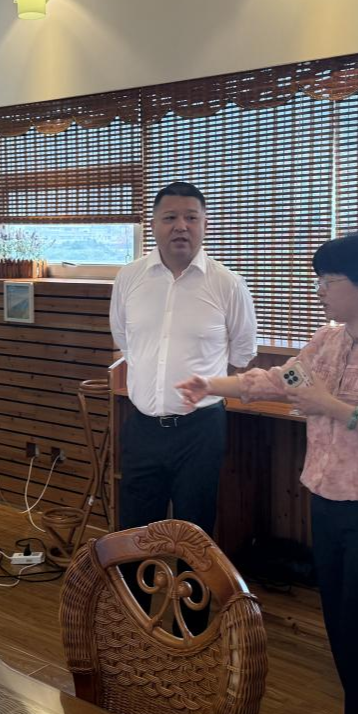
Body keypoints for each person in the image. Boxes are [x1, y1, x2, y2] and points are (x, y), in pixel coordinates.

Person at [176, 232, 358, 714]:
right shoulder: (327, 340)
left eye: (329, 281)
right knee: (341, 634)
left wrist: (334, 407)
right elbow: (281, 379)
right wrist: (212, 384)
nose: (319, 290)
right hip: (328, 503)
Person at [109, 181, 257, 543]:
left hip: (200, 431)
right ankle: (136, 586)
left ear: (205, 224)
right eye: (170, 218)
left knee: (195, 532)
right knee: (134, 531)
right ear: (153, 225)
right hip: (142, 426)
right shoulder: (129, 278)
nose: (181, 226)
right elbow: (125, 340)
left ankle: (191, 585)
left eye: (191, 217)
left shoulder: (228, 284)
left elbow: (242, 352)